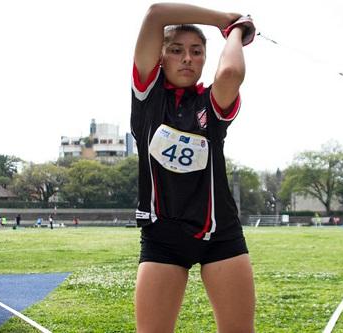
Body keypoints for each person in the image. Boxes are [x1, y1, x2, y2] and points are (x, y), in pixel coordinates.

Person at [131, 3, 256, 332]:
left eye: (197, 51)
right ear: (161, 57)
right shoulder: (147, 97)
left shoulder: (210, 105)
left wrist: (236, 32)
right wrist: (222, 19)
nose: (187, 58)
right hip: (163, 237)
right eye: (176, 50)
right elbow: (156, 12)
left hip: (221, 235)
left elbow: (230, 73)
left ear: (204, 59)